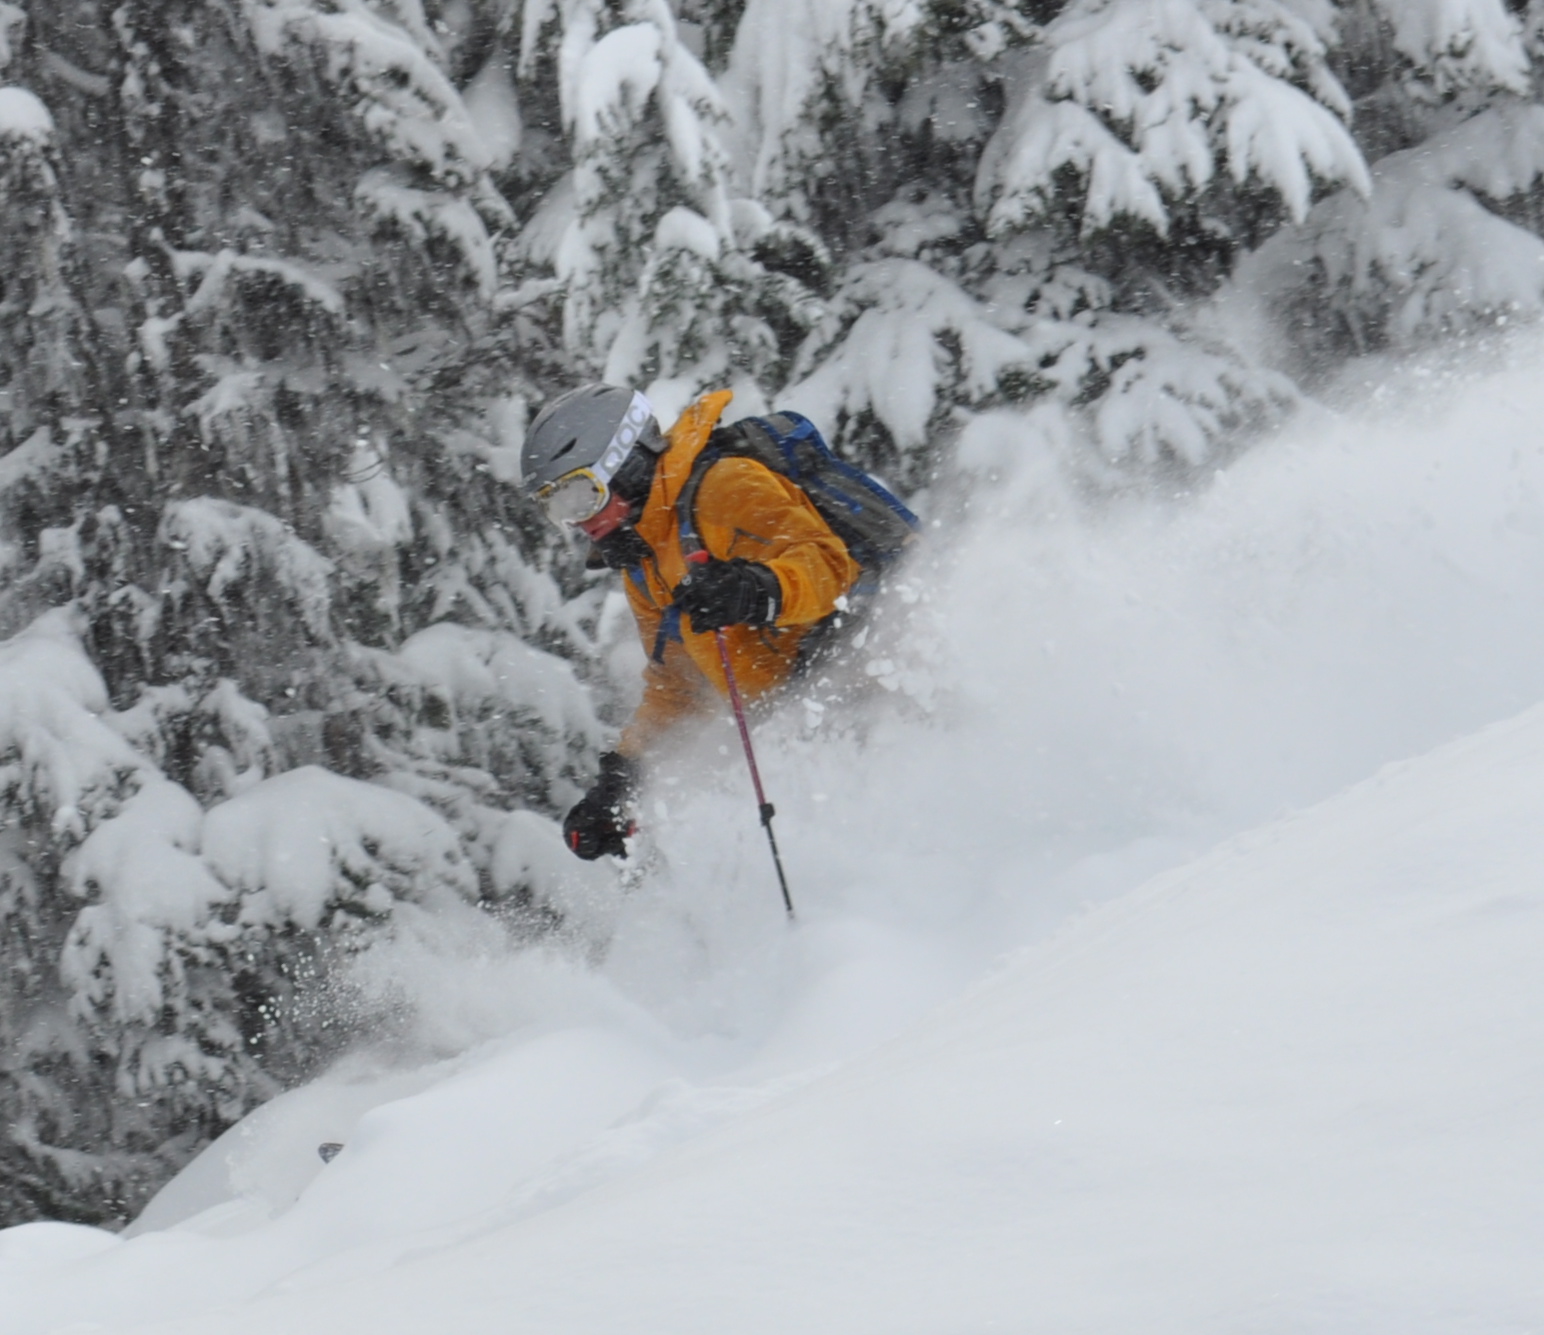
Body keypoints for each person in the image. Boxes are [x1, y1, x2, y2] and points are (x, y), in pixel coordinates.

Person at [520, 385, 861, 860]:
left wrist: (755, 589)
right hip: (801, 732)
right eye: (556, 507)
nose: (577, 522)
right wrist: (621, 781)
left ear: (625, 463)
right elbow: (678, 687)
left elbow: (830, 566)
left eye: (581, 496)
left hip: (863, 694)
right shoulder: (644, 559)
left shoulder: (725, 486)